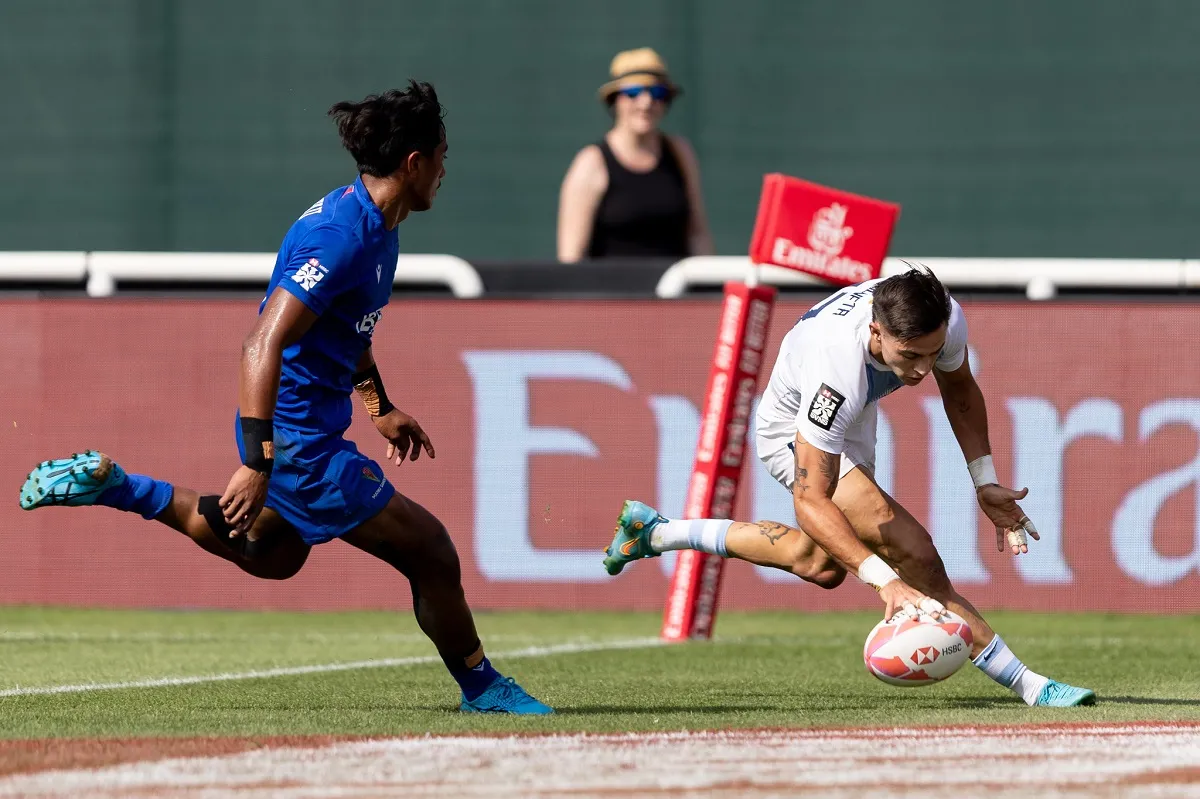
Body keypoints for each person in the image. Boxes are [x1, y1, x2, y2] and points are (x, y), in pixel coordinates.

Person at [18, 81, 552, 716]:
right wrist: (258, 459)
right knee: (431, 550)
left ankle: (118, 487)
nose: (445, 169)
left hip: (304, 433)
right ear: (414, 163)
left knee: (270, 555)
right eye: (442, 154)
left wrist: (379, 407)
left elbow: (348, 332)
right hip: (299, 444)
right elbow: (259, 344)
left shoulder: (379, 225)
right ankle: (484, 687)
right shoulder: (345, 237)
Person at [604, 265, 1096, 708]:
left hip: (855, 420)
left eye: (931, 353)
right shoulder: (834, 370)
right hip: (793, 429)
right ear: (875, 331)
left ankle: (656, 533)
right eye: (910, 356)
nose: (923, 370)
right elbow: (809, 499)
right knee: (914, 553)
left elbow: (960, 388)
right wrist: (887, 582)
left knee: (817, 563)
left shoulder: (944, 318)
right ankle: (1031, 685)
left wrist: (984, 482)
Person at [557, 47, 714, 262]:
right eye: (633, 92)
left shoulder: (680, 153)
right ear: (615, 100)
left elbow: (698, 234)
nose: (645, 102)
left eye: (657, 93)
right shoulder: (591, 163)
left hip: (675, 292)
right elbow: (571, 258)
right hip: (612, 294)